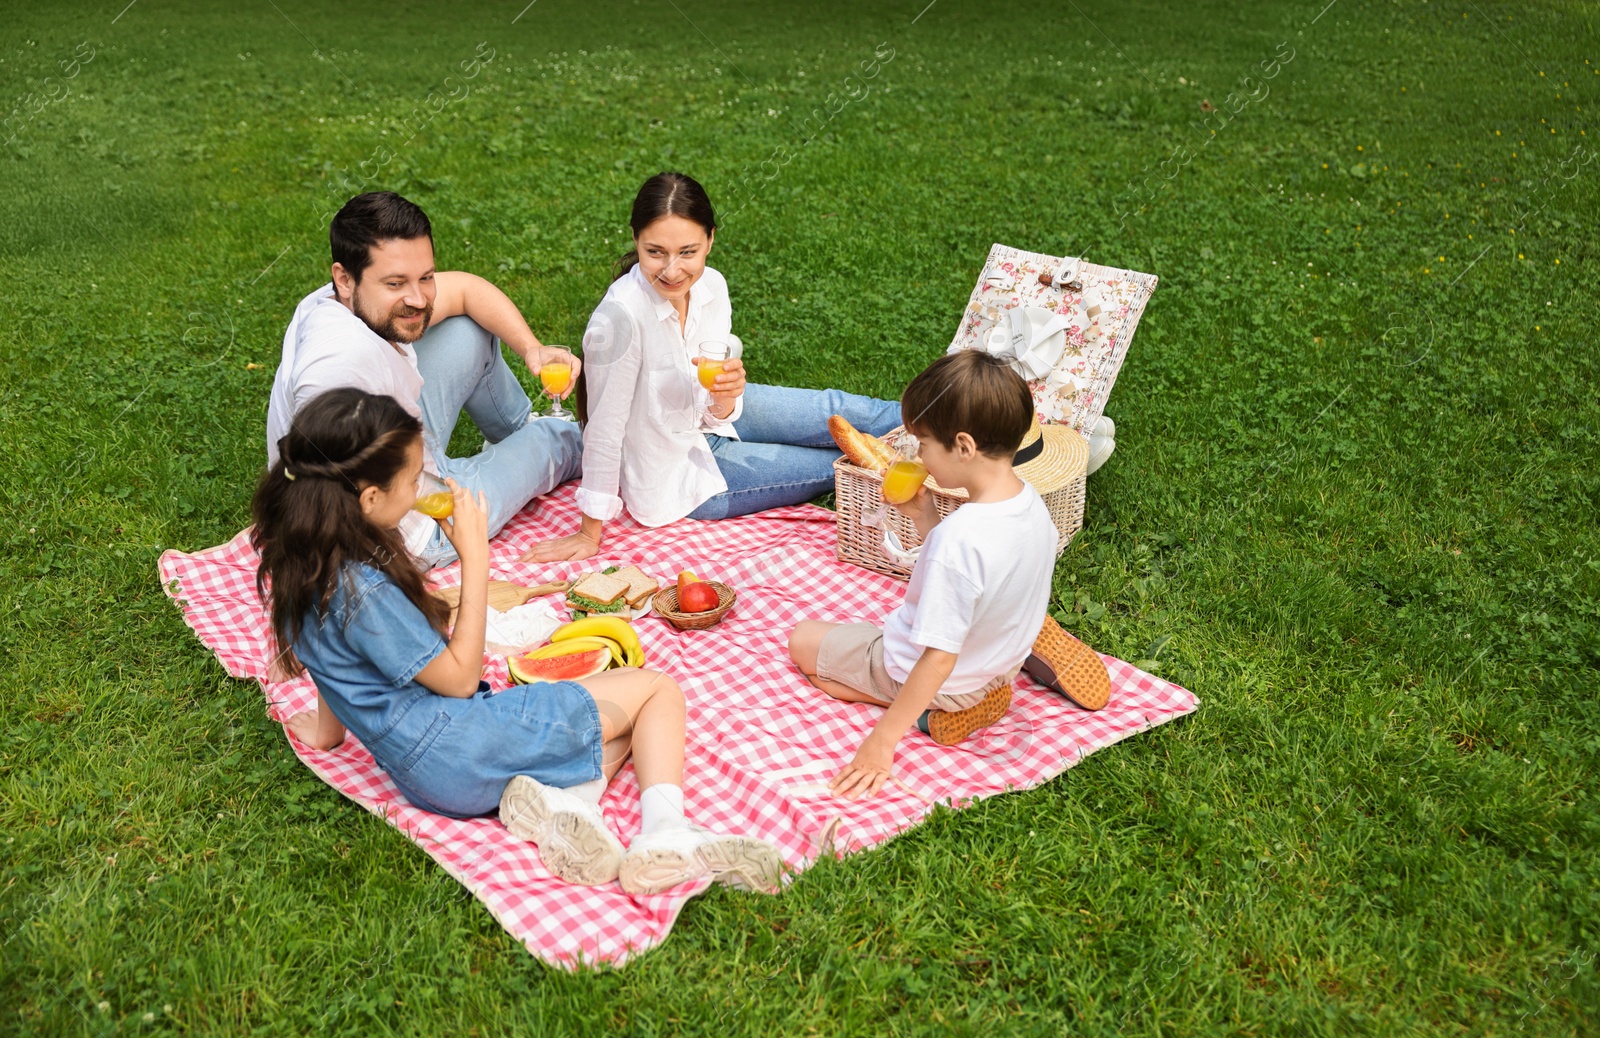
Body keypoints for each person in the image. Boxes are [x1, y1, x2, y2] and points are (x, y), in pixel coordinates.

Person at [253, 387, 783, 895]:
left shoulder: (303, 565)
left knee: (610, 733)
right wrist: (475, 557)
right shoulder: (364, 589)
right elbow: (459, 682)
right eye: (413, 480)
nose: (421, 491)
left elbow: (332, 665)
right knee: (657, 692)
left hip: (421, 777)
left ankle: (572, 806)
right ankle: (666, 832)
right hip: (462, 742)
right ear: (369, 498)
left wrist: (327, 735)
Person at [521, 172, 902, 562]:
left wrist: (726, 396)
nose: (672, 271)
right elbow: (603, 429)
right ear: (635, 240)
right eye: (655, 253)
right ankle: (933, 474)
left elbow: (716, 405)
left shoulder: (712, 288)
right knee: (841, 464)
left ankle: (956, 423)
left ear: (710, 240)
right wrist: (588, 534)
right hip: (677, 471)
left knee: (843, 410)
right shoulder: (617, 320)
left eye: (688, 252)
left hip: (714, 417)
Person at [788, 349, 1082, 799]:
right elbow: (976, 577)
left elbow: (938, 658)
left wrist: (880, 742)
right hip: (996, 666)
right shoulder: (1031, 506)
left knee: (805, 645)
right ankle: (969, 699)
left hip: (939, 678)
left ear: (963, 446)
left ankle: (929, 715)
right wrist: (927, 518)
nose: (919, 455)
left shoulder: (958, 539)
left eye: (923, 444)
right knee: (843, 656)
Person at [267, 191, 582, 569]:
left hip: (401, 447)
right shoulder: (336, 367)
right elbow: (326, 502)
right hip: (410, 524)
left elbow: (466, 291)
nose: (418, 299)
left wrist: (533, 349)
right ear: (345, 278)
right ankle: (546, 437)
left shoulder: (346, 302)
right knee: (560, 442)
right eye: (396, 284)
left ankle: (521, 430)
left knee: (468, 331)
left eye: (426, 277)